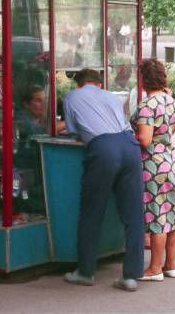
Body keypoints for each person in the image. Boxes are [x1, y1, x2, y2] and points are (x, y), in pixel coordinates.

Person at [60, 69, 144, 292]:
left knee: (92, 211)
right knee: (134, 213)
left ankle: (85, 272)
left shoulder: (71, 97)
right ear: (99, 84)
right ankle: (131, 277)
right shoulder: (111, 96)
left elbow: (72, 130)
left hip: (103, 149)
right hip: (130, 146)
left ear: (78, 84)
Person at [134, 59, 175, 281]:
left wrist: (130, 135)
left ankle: (154, 268)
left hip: (153, 165)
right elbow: (170, 130)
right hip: (171, 161)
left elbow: (144, 139)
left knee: (157, 215)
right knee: (172, 214)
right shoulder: (170, 101)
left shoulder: (147, 105)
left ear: (144, 79)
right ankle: (170, 265)